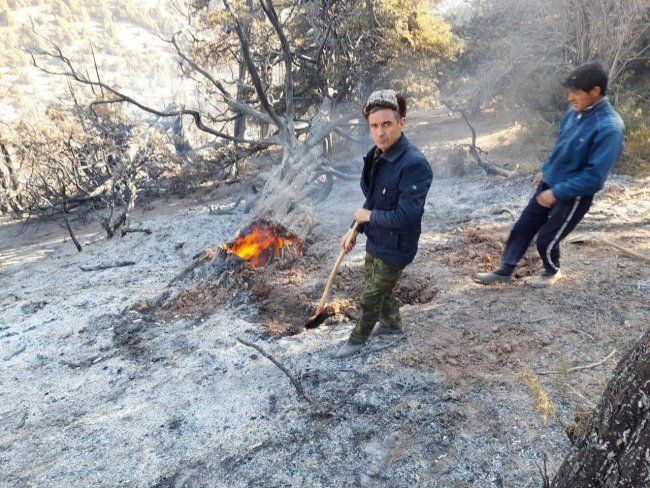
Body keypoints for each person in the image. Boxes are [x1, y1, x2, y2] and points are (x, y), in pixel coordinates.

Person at [475, 62, 625, 288]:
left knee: (546, 239)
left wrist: (557, 193)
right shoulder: (575, 113)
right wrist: (546, 170)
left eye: (576, 92)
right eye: (570, 92)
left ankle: (551, 271)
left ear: (595, 91)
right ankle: (505, 270)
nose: (570, 98)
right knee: (523, 226)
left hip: (574, 194)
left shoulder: (610, 127)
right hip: (550, 182)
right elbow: (561, 146)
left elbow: (595, 178)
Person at [334, 89, 433, 359]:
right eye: (374, 126)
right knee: (379, 286)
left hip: (398, 246)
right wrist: (355, 228)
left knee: (371, 296)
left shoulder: (415, 164)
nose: (380, 132)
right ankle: (391, 325)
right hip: (377, 239)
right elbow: (373, 198)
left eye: (387, 124)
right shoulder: (376, 155)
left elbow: (407, 216)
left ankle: (356, 341)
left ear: (402, 123)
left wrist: (368, 218)